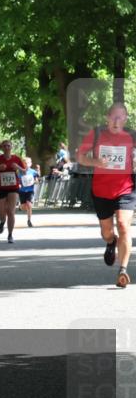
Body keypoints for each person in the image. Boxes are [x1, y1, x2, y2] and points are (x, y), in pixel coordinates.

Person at [76, 102, 135, 288]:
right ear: (107, 118)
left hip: (126, 189)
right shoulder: (96, 134)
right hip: (101, 191)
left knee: (124, 225)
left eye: (120, 117)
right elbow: (80, 156)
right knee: (107, 232)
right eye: (113, 117)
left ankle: (123, 270)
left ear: (125, 119)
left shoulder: (132, 136)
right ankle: (111, 242)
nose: (116, 121)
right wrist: (96, 161)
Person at [0, 140, 26, 243]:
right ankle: (2, 221)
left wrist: (17, 167)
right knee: (2, 213)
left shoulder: (16, 159)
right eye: (5, 146)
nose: (7, 148)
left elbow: (25, 171)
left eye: (8, 146)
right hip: (0, 188)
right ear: (2, 148)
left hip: (13, 187)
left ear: (11, 147)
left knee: (11, 211)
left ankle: (10, 234)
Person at [18, 157, 40, 228]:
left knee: (29, 205)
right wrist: (19, 185)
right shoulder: (20, 172)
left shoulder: (33, 172)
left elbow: (37, 180)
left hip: (30, 191)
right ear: (23, 164)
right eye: (25, 163)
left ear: (30, 164)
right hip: (22, 191)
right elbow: (18, 181)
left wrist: (35, 181)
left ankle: (29, 220)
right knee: (24, 207)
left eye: (28, 163)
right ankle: (20, 207)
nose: (26, 164)